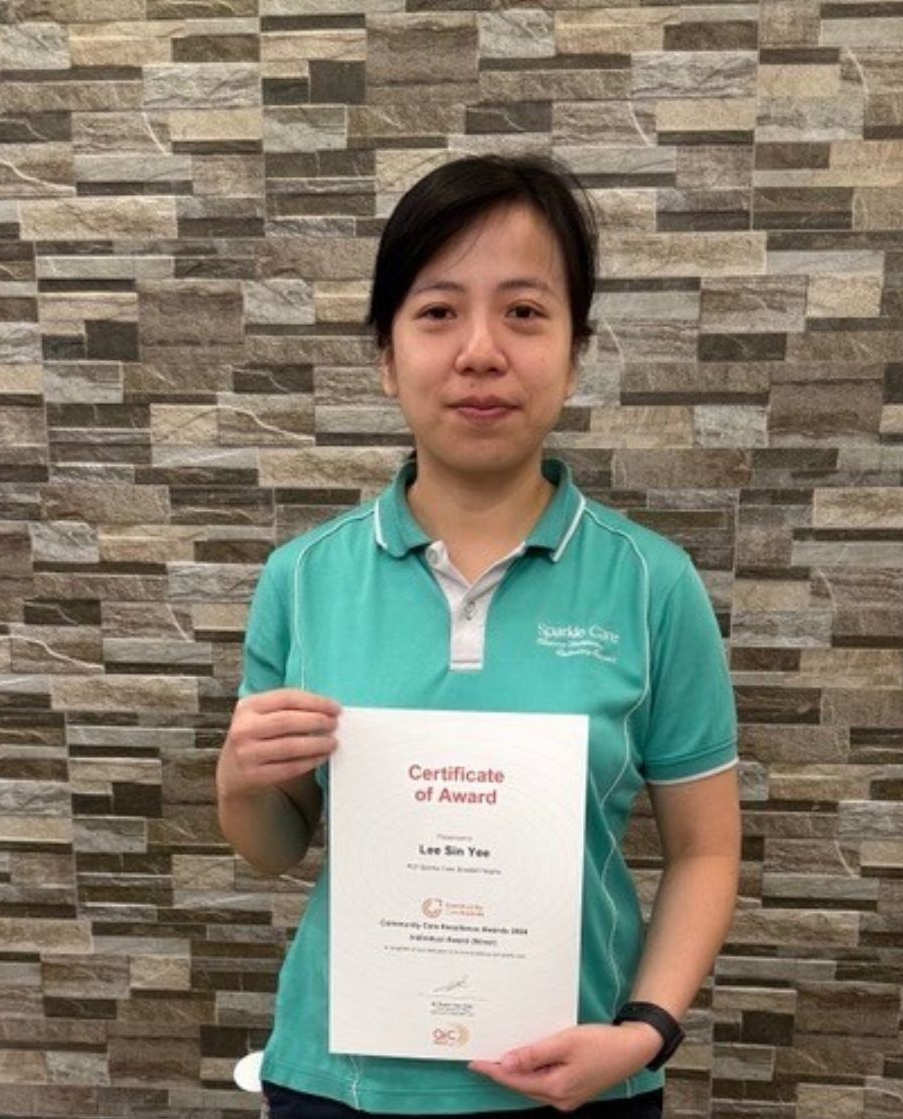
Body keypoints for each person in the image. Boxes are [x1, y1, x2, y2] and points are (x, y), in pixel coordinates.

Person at [216, 155, 741, 1117]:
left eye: (525, 312)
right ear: (386, 356)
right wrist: (239, 778)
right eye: (438, 311)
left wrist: (645, 1032)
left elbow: (705, 850)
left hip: (580, 1085)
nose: (481, 351)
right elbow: (274, 848)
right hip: (339, 1085)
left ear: (575, 352)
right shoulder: (305, 576)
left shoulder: (651, 584)